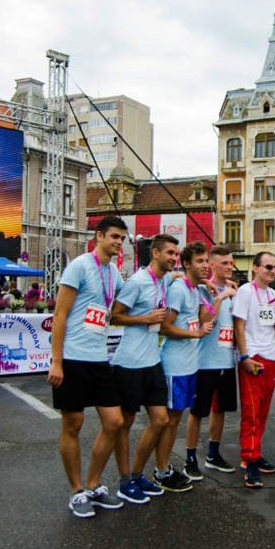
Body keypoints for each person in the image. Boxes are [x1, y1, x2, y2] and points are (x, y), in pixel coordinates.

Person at [47, 216, 127, 517]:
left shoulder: (113, 272)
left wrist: (168, 279)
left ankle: (93, 485)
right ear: (99, 236)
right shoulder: (79, 265)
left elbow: (126, 297)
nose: (118, 242)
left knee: (114, 422)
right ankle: (76, 491)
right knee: (73, 424)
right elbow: (60, 314)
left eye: (122, 238)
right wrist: (56, 361)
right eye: (114, 237)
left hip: (98, 358)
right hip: (72, 357)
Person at [111, 234, 179, 502]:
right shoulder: (138, 282)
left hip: (152, 361)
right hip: (129, 363)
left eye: (176, 254)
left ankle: (138, 474)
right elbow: (114, 315)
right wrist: (146, 318)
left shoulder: (163, 279)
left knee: (161, 420)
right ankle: (125, 480)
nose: (175, 258)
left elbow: (177, 279)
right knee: (125, 424)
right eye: (171, 253)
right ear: (156, 254)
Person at [155, 241, 214, 492]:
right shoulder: (179, 289)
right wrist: (196, 334)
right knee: (168, 421)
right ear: (187, 263)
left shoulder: (194, 290)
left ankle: (165, 467)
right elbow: (164, 327)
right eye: (200, 261)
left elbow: (206, 317)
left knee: (176, 419)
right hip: (174, 364)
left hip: (189, 364)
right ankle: (161, 471)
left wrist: (213, 293)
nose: (206, 265)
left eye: (207, 261)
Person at [232, 251, 275, 488]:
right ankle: (250, 460)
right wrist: (244, 356)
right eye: (267, 267)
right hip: (252, 356)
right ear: (255, 268)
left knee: (263, 410)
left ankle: (254, 454)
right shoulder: (245, 292)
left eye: (274, 267)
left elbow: (273, 331)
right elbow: (239, 325)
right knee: (251, 411)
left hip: (270, 357)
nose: (272, 271)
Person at [184, 245, 238, 480]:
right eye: (224, 263)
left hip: (227, 359)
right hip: (205, 361)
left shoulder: (235, 290)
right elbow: (205, 318)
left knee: (221, 409)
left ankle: (213, 454)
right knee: (198, 412)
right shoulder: (203, 290)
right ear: (213, 265)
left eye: (231, 263)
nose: (229, 267)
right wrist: (220, 296)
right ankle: (190, 458)